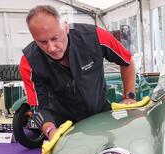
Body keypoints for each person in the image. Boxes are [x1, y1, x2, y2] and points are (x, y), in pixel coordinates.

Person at [20, 5, 137, 141]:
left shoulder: (96, 36)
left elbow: (127, 61)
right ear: (34, 38)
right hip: (65, 129)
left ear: (66, 27)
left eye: (55, 38)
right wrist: (51, 131)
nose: (51, 48)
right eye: (42, 42)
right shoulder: (29, 62)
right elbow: (38, 108)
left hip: (102, 117)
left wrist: (130, 96)